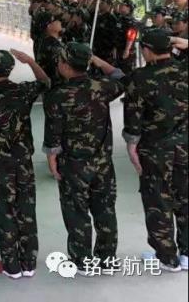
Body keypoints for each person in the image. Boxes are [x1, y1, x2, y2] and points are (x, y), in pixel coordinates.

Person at [43, 43, 125, 274]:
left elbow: (53, 134)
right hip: (103, 162)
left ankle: (82, 261)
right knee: (105, 210)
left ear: (66, 66)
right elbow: (121, 77)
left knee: (76, 212)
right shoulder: (102, 87)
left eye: (60, 61)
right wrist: (97, 60)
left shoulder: (57, 96)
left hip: (73, 164)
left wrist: (51, 160)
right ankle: (107, 259)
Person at [0, 49, 50, 279]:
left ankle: (11, 266)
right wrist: (31, 62)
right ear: (10, 69)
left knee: (5, 213)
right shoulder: (23, 91)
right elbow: (46, 81)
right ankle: (29, 264)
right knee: (26, 210)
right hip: (24, 161)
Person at [123, 29, 188, 272]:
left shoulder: (140, 78)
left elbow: (133, 118)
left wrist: (132, 146)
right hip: (185, 146)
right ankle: (187, 254)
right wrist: (183, 42)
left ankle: (167, 257)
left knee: (158, 201)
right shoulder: (185, 70)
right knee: (186, 198)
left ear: (148, 51)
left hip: (155, 149)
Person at [36, 12, 65, 83]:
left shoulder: (47, 41)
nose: (58, 21)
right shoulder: (52, 45)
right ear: (49, 26)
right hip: (54, 84)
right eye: (54, 21)